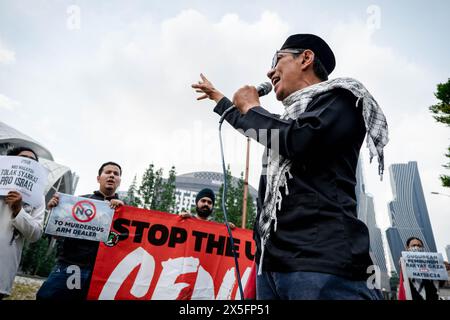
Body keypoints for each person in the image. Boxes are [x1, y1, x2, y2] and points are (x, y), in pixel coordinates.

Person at [192, 34, 389, 300]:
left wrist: (252, 106)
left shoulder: (343, 98)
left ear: (306, 58)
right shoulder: (288, 122)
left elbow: (296, 139)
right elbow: (267, 129)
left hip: (320, 263)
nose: (269, 70)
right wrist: (220, 99)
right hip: (273, 265)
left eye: (277, 59)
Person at [36, 161, 124, 300]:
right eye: (107, 172)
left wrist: (122, 212)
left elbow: (125, 243)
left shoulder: (125, 210)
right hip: (71, 266)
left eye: (116, 174)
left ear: (119, 180)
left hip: (101, 273)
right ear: (98, 178)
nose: (112, 176)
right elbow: (55, 234)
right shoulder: (78, 201)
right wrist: (55, 212)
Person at [0, 147, 45, 299]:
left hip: (3, 267)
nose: (28, 163)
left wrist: (19, 210)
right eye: (24, 158)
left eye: (32, 161)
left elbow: (36, 234)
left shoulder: (38, 197)